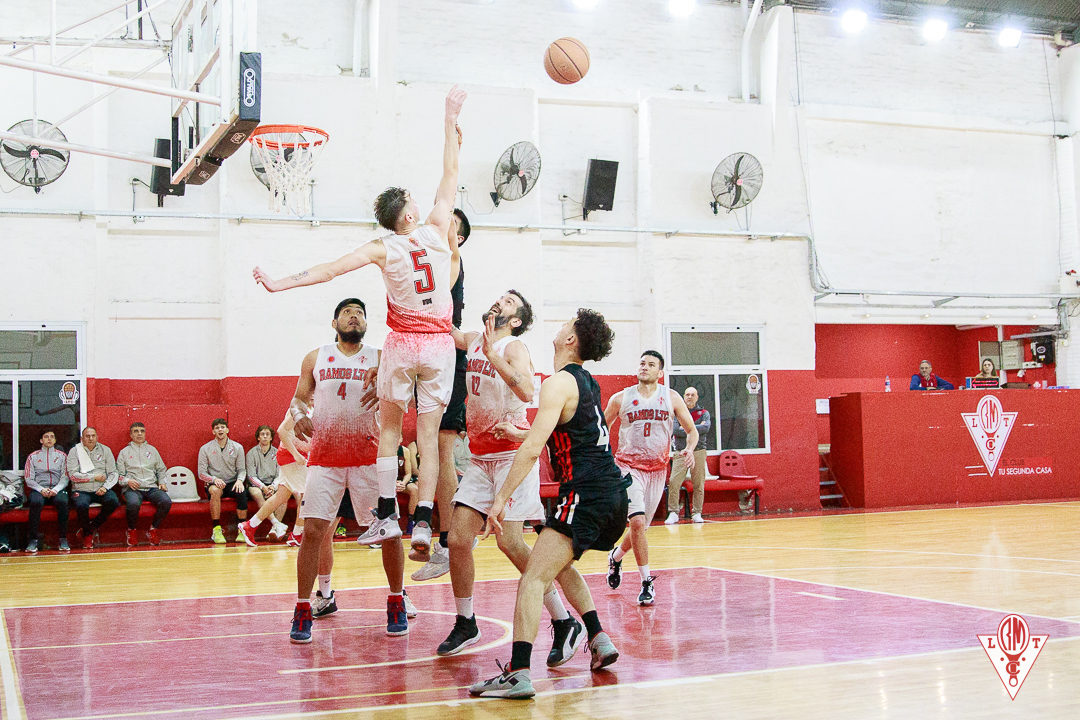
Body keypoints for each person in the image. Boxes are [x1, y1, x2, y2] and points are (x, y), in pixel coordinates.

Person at [253, 86, 468, 563]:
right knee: (428, 438)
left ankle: (387, 512)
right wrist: (450, 120)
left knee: (389, 430)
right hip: (437, 347)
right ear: (411, 213)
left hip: (402, 344)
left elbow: (328, 270)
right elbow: (451, 171)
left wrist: (278, 283)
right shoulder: (436, 228)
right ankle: (423, 523)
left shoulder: (382, 247)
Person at [469, 308, 627, 700]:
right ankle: (598, 638)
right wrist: (520, 430)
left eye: (565, 326)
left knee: (533, 579)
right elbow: (569, 431)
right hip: (611, 496)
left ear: (572, 339)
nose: (559, 328)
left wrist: (499, 499)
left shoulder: (556, 382)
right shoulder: (586, 382)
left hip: (584, 494)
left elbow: (536, 448)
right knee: (557, 564)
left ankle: (518, 673)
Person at [436, 292, 583, 666]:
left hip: (510, 459)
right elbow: (442, 327)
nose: (500, 303)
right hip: (480, 459)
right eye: (499, 298)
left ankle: (563, 620)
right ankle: (466, 621)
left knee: (511, 543)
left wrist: (493, 353)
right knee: (457, 539)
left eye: (509, 302)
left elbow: (527, 390)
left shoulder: (514, 347)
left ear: (516, 320)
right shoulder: (474, 339)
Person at [283, 298, 408, 644]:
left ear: (366, 323)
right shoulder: (315, 357)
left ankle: (397, 599)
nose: (355, 316)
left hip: (370, 457)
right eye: (348, 313)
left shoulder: (382, 358)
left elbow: (404, 396)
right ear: (335, 321)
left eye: (361, 313)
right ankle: (304, 607)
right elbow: (298, 400)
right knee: (313, 532)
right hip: (325, 457)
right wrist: (298, 417)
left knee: (389, 531)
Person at [604, 351, 698, 605]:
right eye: (642, 363)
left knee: (641, 528)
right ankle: (646, 582)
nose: (645, 367)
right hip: (628, 467)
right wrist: (601, 459)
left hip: (658, 470)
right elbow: (603, 428)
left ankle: (616, 557)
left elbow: (691, 431)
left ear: (660, 372)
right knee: (636, 523)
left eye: (651, 364)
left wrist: (689, 449)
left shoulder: (671, 397)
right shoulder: (621, 398)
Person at [413, 207, 471, 579]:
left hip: (448, 356)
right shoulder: (428, 265)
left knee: (442, 451)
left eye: (450, 224)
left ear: (459, 237)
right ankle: (444, 537)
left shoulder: (452, 258)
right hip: (428, 356)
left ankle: (449, 541)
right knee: (430, 450)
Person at [238, 416, 306, 546]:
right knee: (305, 495)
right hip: (292, 456)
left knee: (281, 495)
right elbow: (281, 431)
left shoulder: (314, 407)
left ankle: (250, 526)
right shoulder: (298, 406)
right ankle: (297, 534)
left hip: (295, 455)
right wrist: (296, 454)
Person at [115, 422, 172, 547]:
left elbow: (161, 469)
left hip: (151, 487)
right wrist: (127, 481)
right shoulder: (124, 452)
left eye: (142, 431)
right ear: (131, 434)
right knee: (133, 503)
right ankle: (131, 530)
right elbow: (117, 476)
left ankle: (153, 529)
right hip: (132, 488)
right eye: (136, 431)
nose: (139, 433)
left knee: (166, 501)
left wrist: (162, 482)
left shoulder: (153, 450)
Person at [66, 426, 120, 549]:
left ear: (97, 437)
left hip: (101, 488)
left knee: (113, 501)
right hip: (82, 489)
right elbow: (73, 476)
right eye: (87, 436)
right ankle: (88, 536)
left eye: (93, 436)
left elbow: (113, 473)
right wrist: (93, 477)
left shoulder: (105, 450)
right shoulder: (75, 451)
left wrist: (106, 487)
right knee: (81, 505)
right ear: (82, 438)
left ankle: (90, 528)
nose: (90, 438)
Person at [198, 418, 250, 544]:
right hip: (215, 482)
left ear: (227, 430)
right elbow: (201, 473)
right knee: (215, 491)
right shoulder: (205, 449)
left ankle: (242, 529)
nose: (220, 429)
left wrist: (239, 480)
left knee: (242, 491)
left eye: (222, 427)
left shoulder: (237, 447)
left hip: (232, 481)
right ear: (213, 432)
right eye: (217, 428)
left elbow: (242, 469)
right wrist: (214, 479)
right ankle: (216, 529)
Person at [665, 387, 711, 524]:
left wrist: (685, 428)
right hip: (681, 452)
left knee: (699, 484)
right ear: (683, 397)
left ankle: (697, 513)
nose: (689, 397)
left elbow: (706, 428)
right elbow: (675, 430)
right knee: (674, 482)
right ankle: (673, 512)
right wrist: (695, 427)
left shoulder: (704, 413)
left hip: (699, 451)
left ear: (697, 397)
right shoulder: (677, 412)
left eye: (692, 395)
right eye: (687, 394)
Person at [23, 430, 70, 553]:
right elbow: (28, 479)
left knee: (63, 502)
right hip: (39, 489)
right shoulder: (33, 457)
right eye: (46, 437)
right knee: (35, 502)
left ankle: (63, 539)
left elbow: (65, 477)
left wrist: (56, 489)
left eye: (52, 437)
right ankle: (33, 540)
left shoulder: (62, 456)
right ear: (41, 440)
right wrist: (41, 489)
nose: (49, 439)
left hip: (57, 488)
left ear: (55, 440)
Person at [245, 425, 290, 541]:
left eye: (267, 435)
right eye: (262, 434)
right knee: (257, 493)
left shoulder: (278, 452)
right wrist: (263, 487)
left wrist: (273, 487)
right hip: (257, 485)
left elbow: (280, 474)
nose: (265, 437)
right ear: (258, 437)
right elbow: (251, 476)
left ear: (271, 438)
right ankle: (276, 523)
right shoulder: (251, 453)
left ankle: (275, 530)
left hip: (273, 484)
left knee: (283, 496)